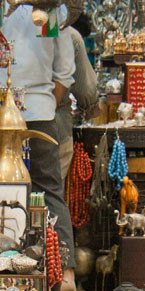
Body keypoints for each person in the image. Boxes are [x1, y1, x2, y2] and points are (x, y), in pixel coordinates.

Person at [0, 0, 80, 291]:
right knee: (49, 191)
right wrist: (41, 101)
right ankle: (68, 275)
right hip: (41, 112)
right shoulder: (47, 3)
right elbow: (65, 71)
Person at [56, 14, 98, 183]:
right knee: (50, 195)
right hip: (56, 128)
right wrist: (90, 108)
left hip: (10, 124)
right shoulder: (69, 35)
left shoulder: (12, 27)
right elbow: (87, 89)